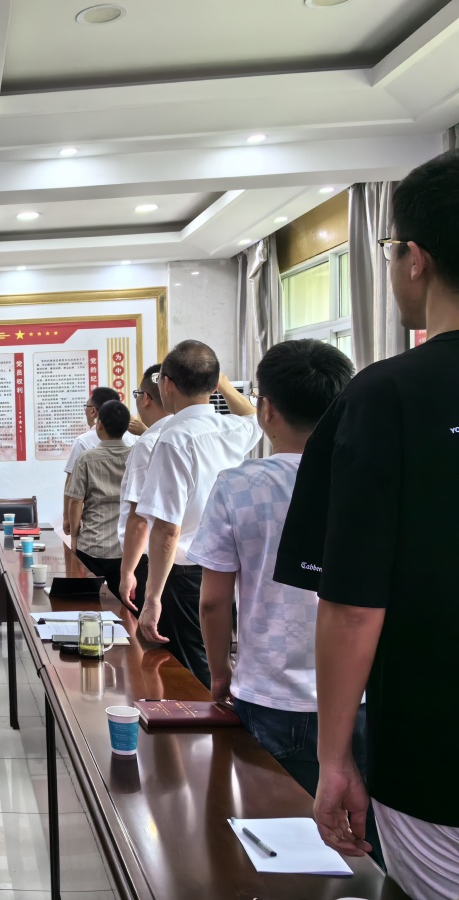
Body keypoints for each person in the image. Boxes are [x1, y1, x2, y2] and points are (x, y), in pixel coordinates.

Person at [274, 149, 459, 899]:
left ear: (415, 258)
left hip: (435, 756)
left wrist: (334, 758)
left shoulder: (387, 397)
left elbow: (352, 606)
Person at [190, 340, 360, 796]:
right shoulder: (367, 482)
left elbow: (212, 601)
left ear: (266, 410)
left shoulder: (238, 485)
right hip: (358, 696)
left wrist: (220, 673)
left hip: (268, 692)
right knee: (356, 827)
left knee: (269, 822)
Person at [133, 341, 261, 688]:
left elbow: (167, 528)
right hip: (228, 569)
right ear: (213, 384)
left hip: (185, 575)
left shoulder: (173, 439)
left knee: (189, 669)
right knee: (217, 660)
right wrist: (223, 385)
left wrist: (152, 598)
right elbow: (253, 415)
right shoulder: (232, 429)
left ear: (167, 384)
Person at [64, 399, 132, 601]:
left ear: (99, 424)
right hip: (126, 547)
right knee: (124, 604)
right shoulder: (136, 455)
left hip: (92, 545)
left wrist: (74, 539)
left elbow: (75, 502)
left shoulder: (87, 458)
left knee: (89, 603)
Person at [117, 364, 171, 612]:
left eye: (137, 394)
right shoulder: (206, 433)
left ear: (146, 398)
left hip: (151, 559)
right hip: (198, 565)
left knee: (147, 632)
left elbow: (140, 519)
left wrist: (127, 571)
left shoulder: (148, 443)